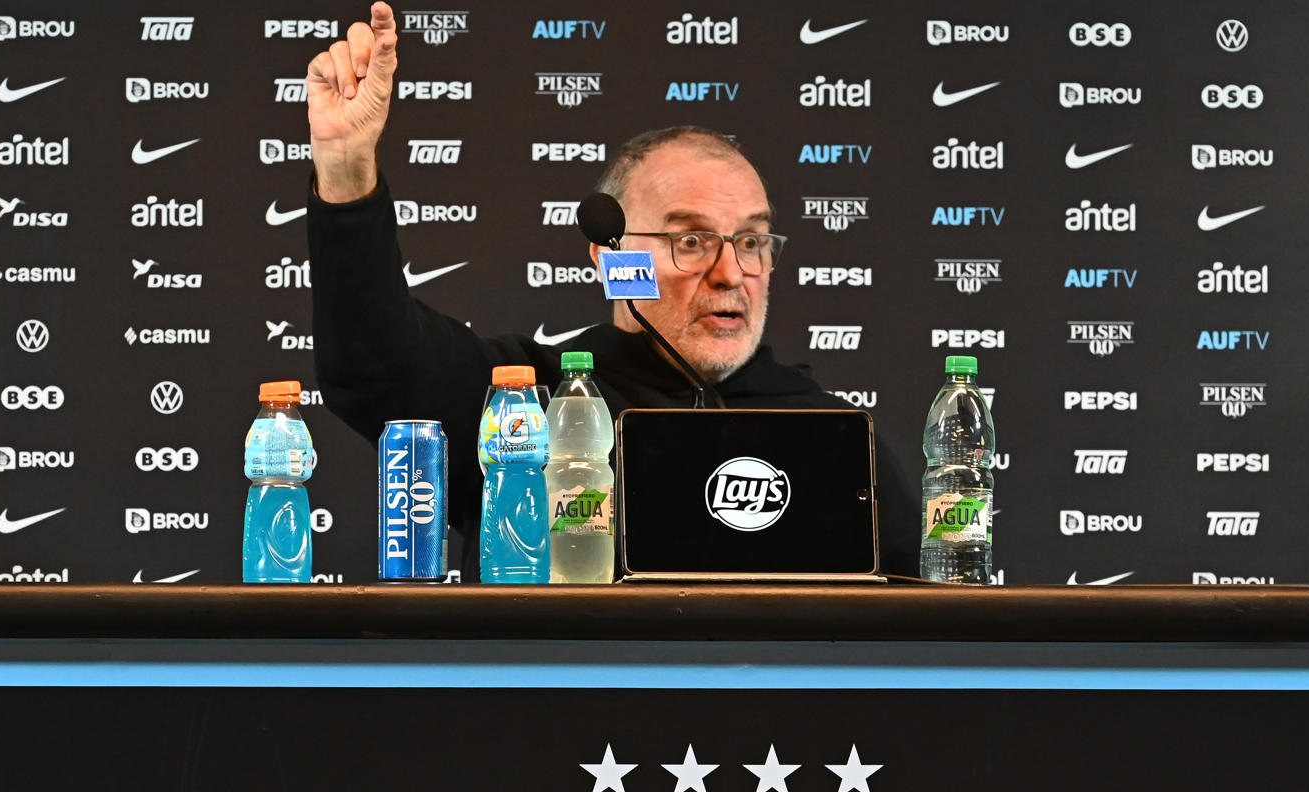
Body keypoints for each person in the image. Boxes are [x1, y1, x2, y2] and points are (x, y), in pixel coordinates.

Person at [303, 3, 915, 580]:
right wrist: (346, 167)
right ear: (611, 254)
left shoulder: (834, 433)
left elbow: (935, 628)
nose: (731, 273)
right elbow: (372, 361)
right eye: (693, 241)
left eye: (752, 242)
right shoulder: (525, 404)